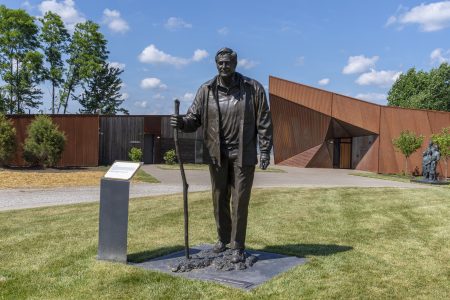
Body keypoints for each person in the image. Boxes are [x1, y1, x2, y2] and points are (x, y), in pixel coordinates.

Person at [170, 47, 273, 263]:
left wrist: (264, 150)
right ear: (216, 64)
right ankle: (223, 238)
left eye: (227, 63)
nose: (223, 66)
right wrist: (181, 123)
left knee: (240, 199)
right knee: (218, 199)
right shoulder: (206, 90)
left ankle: (237, 245)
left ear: (235, 64)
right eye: (220, 63)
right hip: (216, 154)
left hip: (243, 153)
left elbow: (264, 121)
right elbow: (193, 119)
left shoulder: (252, 88)